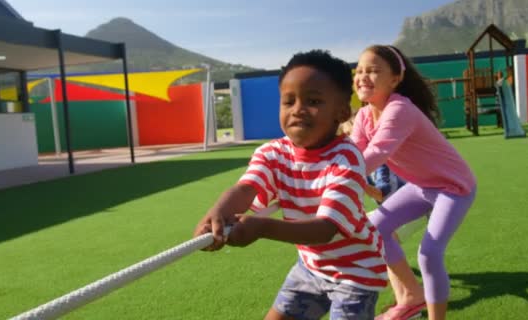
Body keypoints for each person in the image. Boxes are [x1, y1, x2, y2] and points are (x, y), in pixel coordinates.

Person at [193, 49, 388, 320]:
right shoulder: (272, 153)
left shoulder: (346, 159)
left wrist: (260, 227)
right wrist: (218, 212)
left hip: (355, 271)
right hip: (311, 266)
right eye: (288, 101)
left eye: (314, 100)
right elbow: (248, 188)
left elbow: (325, 230)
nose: (298, 109)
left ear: (342, 112)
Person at [350, 45, 477, 320]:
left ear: (395, 79)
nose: (362, 77)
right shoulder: (363, 115)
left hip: (453, 188)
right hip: (421, 187)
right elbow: (353, 155)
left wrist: (337, 177)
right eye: (359, 71)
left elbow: (375, 153)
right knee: (374, 228)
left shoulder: (399, 109)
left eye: (372, 71)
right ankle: (411, 296)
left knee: (429, 254)